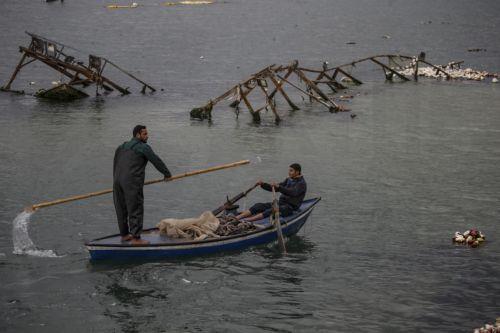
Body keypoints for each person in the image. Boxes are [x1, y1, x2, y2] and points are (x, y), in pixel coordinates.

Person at [113, 125, 172, 245]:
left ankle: (124, 235)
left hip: (117, 181)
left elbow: (115, 163)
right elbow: (156, 160)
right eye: (145, 134)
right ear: (137, 135)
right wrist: (167, 174)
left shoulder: (121, 146)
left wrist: (116, 180)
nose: (147, 136)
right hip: (132, 182)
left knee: (121, 208)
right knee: (135, 208)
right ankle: (136, 238)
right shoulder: (143, 147)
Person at [236, 163, 307, 222]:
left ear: (297, 172)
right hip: (280, 204)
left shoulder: (301, 183)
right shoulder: (289, 179)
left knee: (271, 210)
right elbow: (275, 189)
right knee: (258, 206)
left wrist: (279, 187)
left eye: (291, 171)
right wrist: (263, 184)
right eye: (289, 170)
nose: (289, 172)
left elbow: (292, 192)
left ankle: (247, 221)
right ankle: (237, 218)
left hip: (290, 208)